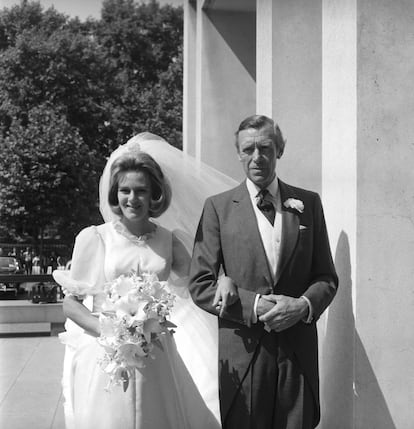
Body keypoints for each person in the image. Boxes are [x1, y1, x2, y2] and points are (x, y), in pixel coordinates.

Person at [53, 136, 232, 429]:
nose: (132, 199)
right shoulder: (95, 237)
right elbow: (70, 304)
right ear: (115, 193)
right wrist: (108, 332)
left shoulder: (169, 240)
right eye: (124, 190)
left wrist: (225, 281)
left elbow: (200, 281)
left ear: (154, 196)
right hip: (108, 352)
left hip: (156, 349)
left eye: (140, 191)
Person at [189, 115, 338, 429]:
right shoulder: (218, 208)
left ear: (279, 150)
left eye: (265, 148)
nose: (257, 157)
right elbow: (201, 284)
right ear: (239, 154)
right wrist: (255, 306)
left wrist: (302, 306)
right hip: (244, 353)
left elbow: (326, 277)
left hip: (297, 351)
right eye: (248, 149)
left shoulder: (308, 204)